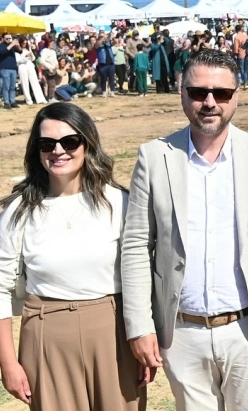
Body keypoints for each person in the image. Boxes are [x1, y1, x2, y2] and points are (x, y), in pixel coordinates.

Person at [121, 49, 248, 410]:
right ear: (181, 92)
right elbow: (136, 245)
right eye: (198, 92)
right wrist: (139, 325)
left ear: (237, 96)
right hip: (181, 332)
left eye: (221, 93)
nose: (209, 102)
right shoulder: (154, 157)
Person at [0, 104, 150, 409]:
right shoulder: (19, 211)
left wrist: (143, 336)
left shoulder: (119, 203)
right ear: (36, 150)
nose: (58, 151)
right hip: (47, 333)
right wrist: (8, 363)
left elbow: (140, 274)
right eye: (47, 144)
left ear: (87, 143)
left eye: (69, 142)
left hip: (114, 332)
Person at [16, 38, 47, 105]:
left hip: (30, 65)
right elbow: (18, 60)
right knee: (25, 83)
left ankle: (40, 99)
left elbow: (33, 58)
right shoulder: (17, 50)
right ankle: (28, 100)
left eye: (26, 43)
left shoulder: (28, 49)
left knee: (35, 82)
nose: (24, 44)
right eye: (23, 43)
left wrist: (30, 54)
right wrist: (26, 57)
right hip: (22, 66)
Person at [0, 32, 21, 109]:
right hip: (4, 68)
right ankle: (6, 102)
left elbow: (20, 51)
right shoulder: (1, 46)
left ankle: (12, 101)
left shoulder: (12, 46)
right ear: (3, 39)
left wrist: (18, 45)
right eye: (7, 38)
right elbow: (2, 52)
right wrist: (12, 44)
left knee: (12, 86)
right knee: (6, 86)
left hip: (13, 68)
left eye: (10, 38)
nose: (9, 39)